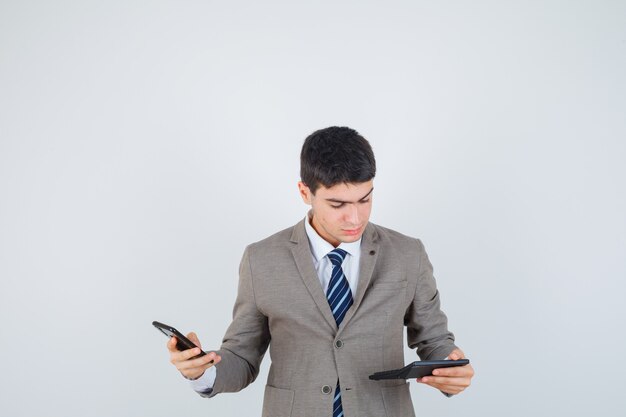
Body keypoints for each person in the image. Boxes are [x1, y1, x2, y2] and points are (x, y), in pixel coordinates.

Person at [166, 126, 474, 417]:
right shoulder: (260, 259)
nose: (355, 217)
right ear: (304, 192)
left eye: (365, 199)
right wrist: (203, 371)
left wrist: (451, 365)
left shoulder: (408, 253)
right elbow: (243, 358)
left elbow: (434, 340)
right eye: (337, 204)